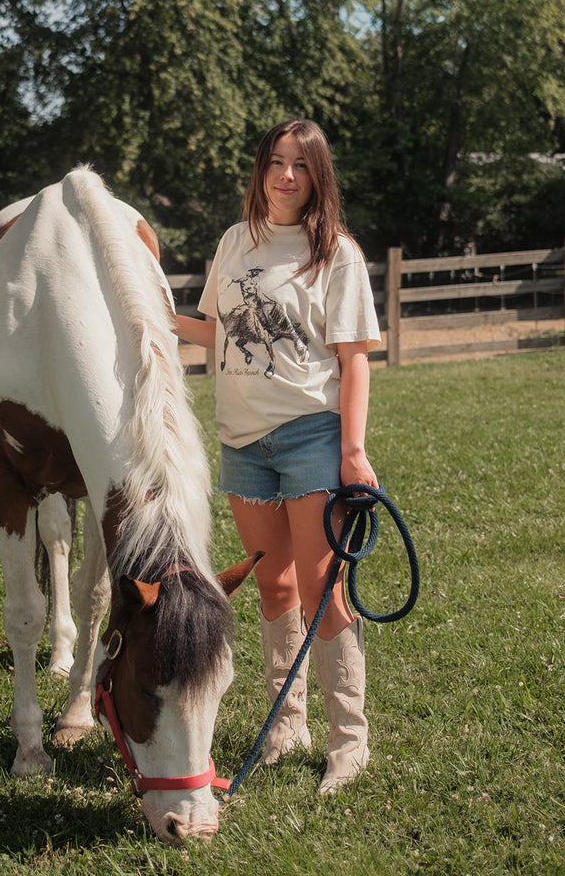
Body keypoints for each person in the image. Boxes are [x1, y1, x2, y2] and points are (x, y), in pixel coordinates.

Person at [175, 119, 381, 794]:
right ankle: (286, 724)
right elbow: (216, 331)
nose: (287, 175)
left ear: (318, 176)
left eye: (300, 165)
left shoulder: (337, 254)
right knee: (274, 587)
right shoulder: (237, 242)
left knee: (324, 592)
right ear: (260, 170)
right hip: (242, 442)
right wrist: (147, 310)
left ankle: (349, 741)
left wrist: (352, 450)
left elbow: (354, 361)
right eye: (276, 163)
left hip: (309, 439)